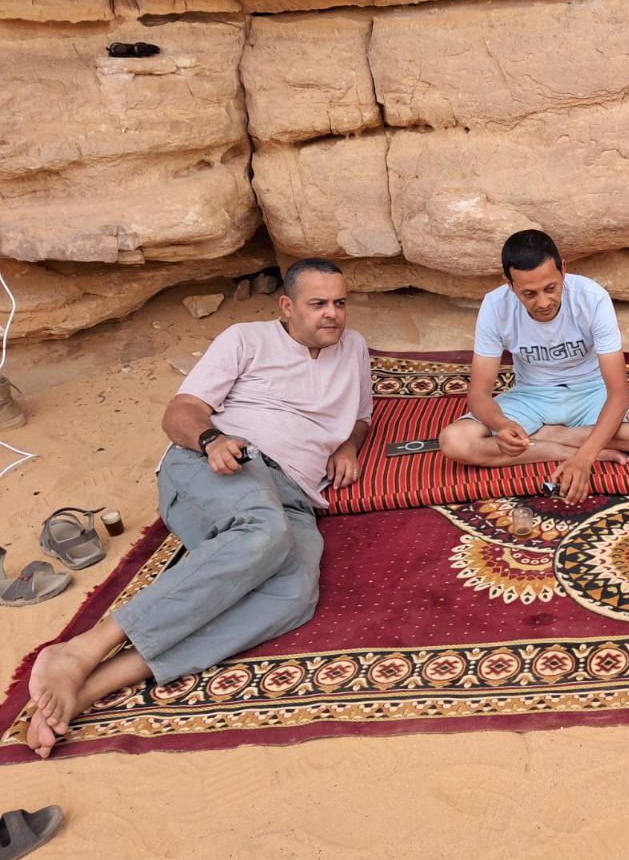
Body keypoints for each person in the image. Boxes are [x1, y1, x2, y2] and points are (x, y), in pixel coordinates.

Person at [24, 258, 371, 757]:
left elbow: (361, 415)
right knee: (262, 532)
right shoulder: (245, 339)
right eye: (318, 304)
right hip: (226, 463)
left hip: (296, 493)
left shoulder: (353, 348)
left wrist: (348, 446)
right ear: (287, 306)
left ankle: (91, 686)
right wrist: (211, 440)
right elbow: (180, 412)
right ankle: (84, 648)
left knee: (294, 595)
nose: (332, 314)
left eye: (339, 302)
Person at [440, 229, 629, 502]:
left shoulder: (592, 297)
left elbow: (618, 394)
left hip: (591, 393)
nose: (543, 302)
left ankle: (546, 436)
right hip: (531, 397)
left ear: (563, 270)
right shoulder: (495, 305)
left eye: (550, 288)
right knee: (455, 442)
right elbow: (479, 394)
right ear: (509, 284)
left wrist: (585, 460)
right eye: (529, 293)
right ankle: (561, 448)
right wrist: (503, 425)